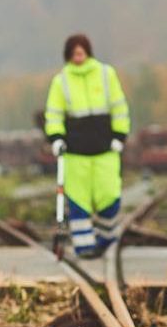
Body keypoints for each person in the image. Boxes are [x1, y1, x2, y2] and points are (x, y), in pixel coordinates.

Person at [44, 34, 130, 259]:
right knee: (78, 201)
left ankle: (105, 237)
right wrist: (56, 138)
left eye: (81, 52)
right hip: (75, 153)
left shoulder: (105, 74)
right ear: (68, 55)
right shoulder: (60, 81)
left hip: (105, 150)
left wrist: (120, 136)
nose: (78, 56)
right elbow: (53, 114)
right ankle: (84, 247)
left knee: (110, 197)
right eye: (74, 53)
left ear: (89, 52)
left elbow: (119, 107)